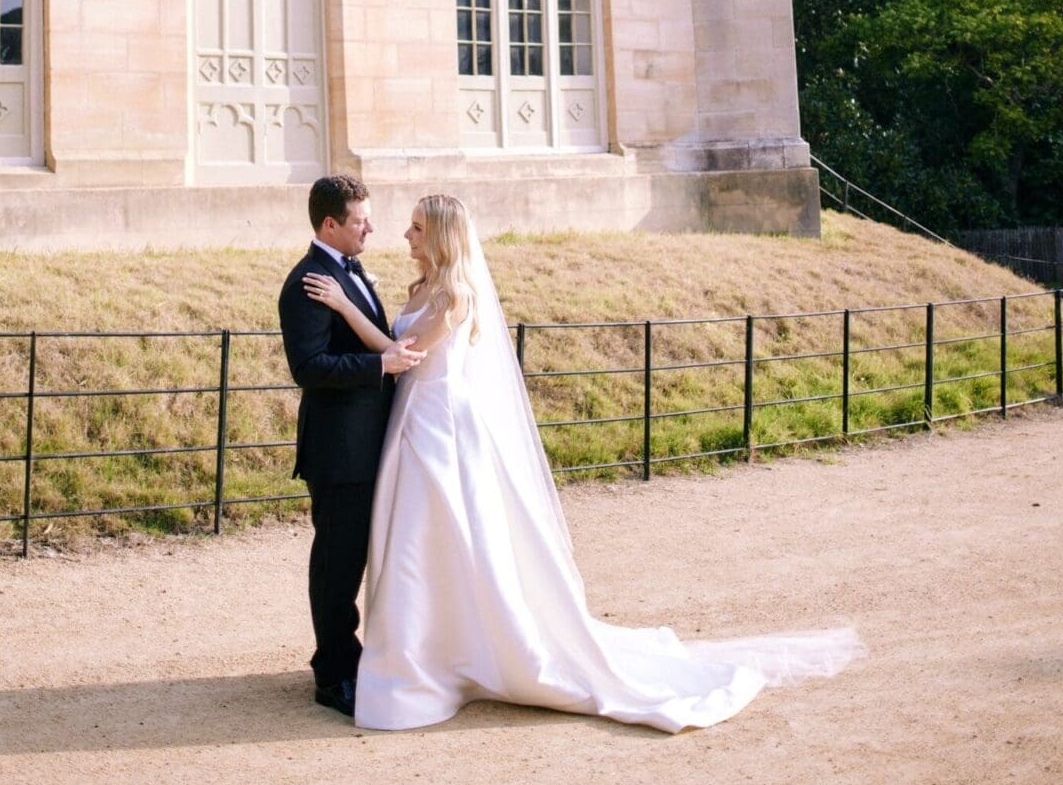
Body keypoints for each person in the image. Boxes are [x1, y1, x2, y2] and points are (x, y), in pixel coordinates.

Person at [304, 192, 864, 734]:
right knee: (418, 541)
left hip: (439, 424)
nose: (405, 234)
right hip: (413, 419)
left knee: (439, 534)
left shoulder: (456, 295)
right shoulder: (424, 285)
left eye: (418, 228)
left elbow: (401, 356)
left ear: (443, 237)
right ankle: (430, 644)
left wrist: (343, 305)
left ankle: (450, 651)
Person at [278, 174, 425, 718]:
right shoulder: (307, 282)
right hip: (340, 453)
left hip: (368, 445)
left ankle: (351, 658)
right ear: (330, 224)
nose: (372, 227)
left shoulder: (346, 272)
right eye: (361, 221)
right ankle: (332, 673)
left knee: (357, 560)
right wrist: (379, 366)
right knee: (337, 567)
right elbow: (308, 368)